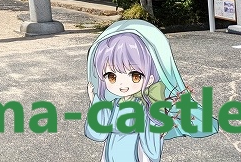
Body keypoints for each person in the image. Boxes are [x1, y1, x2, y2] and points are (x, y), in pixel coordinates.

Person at [85, 19, 217, 161]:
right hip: (110, 153)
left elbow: (151, 142)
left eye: (135, 76)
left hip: (136, 154)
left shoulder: (145, 105)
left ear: (152, 78)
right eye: (111, 77)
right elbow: (97, 133)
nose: (122, 83)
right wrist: (96, 102)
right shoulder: (114, 104)